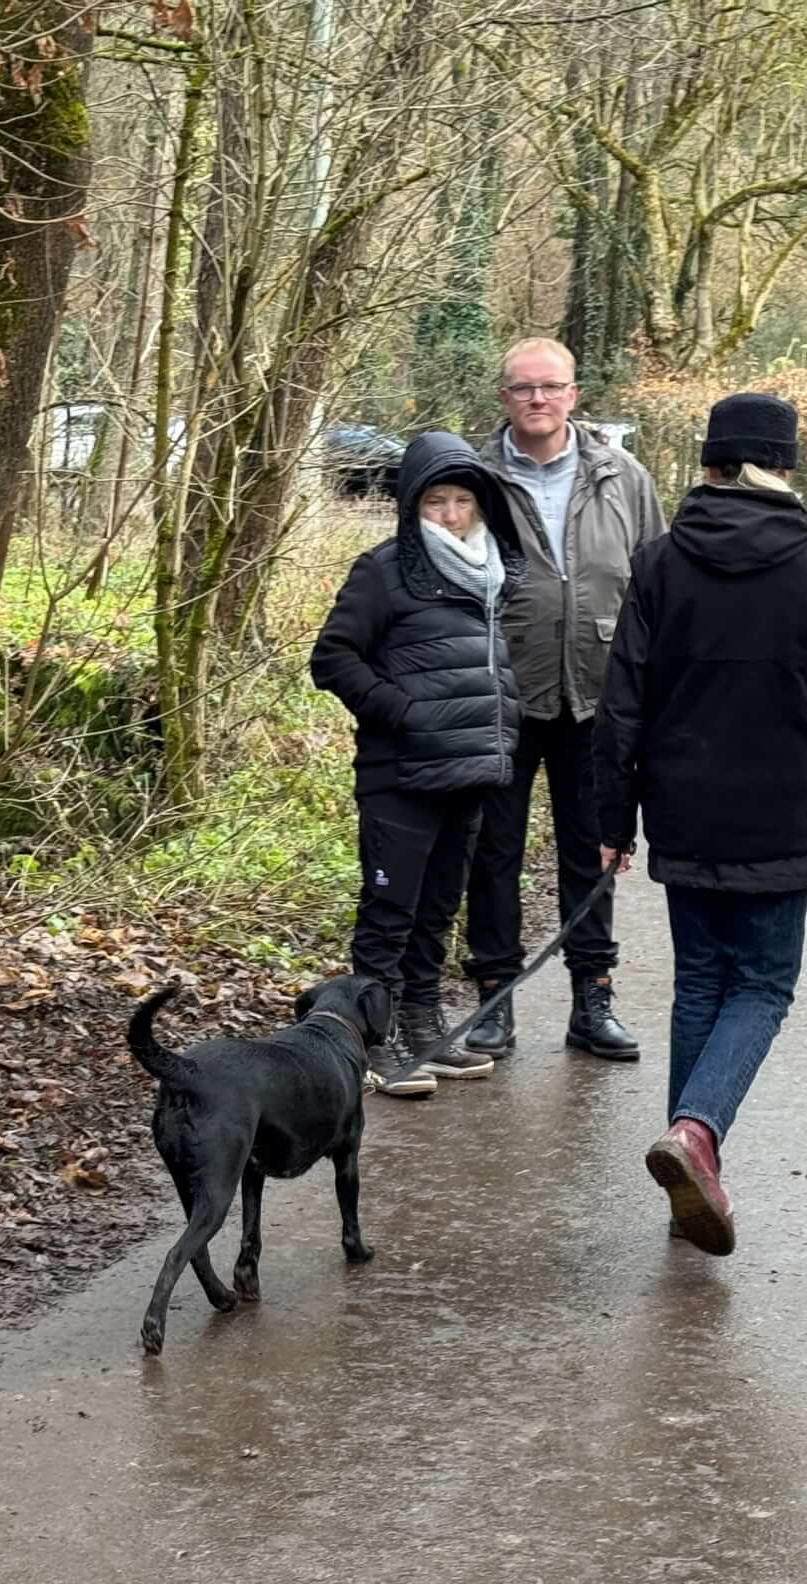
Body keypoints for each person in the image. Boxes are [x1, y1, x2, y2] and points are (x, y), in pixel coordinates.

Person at [592, 391, 807, 1253]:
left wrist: (613, 819)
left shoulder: (659, 563)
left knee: (700, 985)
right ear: (782, 467)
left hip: (682, 808)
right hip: (779, 814)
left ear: (711, 464)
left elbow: (621, 703)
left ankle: (688, 1181)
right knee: (761, 987)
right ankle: (696, 1134)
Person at [458, 337, 667, 1066]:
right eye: (523, 388)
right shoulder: (473, 479)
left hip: (598, 697)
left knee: (594, 850)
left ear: (574, 395)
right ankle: (493, 999)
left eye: (550, 386)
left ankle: (593, 999)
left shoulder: (623, 477)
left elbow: (657, 583)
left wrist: (655, 691)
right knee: (493, 852)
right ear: (504, 398)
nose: (537, 399)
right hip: (499, 693)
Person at [311, 431, 525, 1099]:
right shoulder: (382, 571)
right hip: (399, 775)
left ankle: (424, 1025)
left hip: (468, 772)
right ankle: (373, 1041)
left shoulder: (491, 573)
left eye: (462, 500)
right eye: (436, 501)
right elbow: (332, 658)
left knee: (436, 912)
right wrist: (402, 712)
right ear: (412, 504)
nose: (451, 514)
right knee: (390, 913)